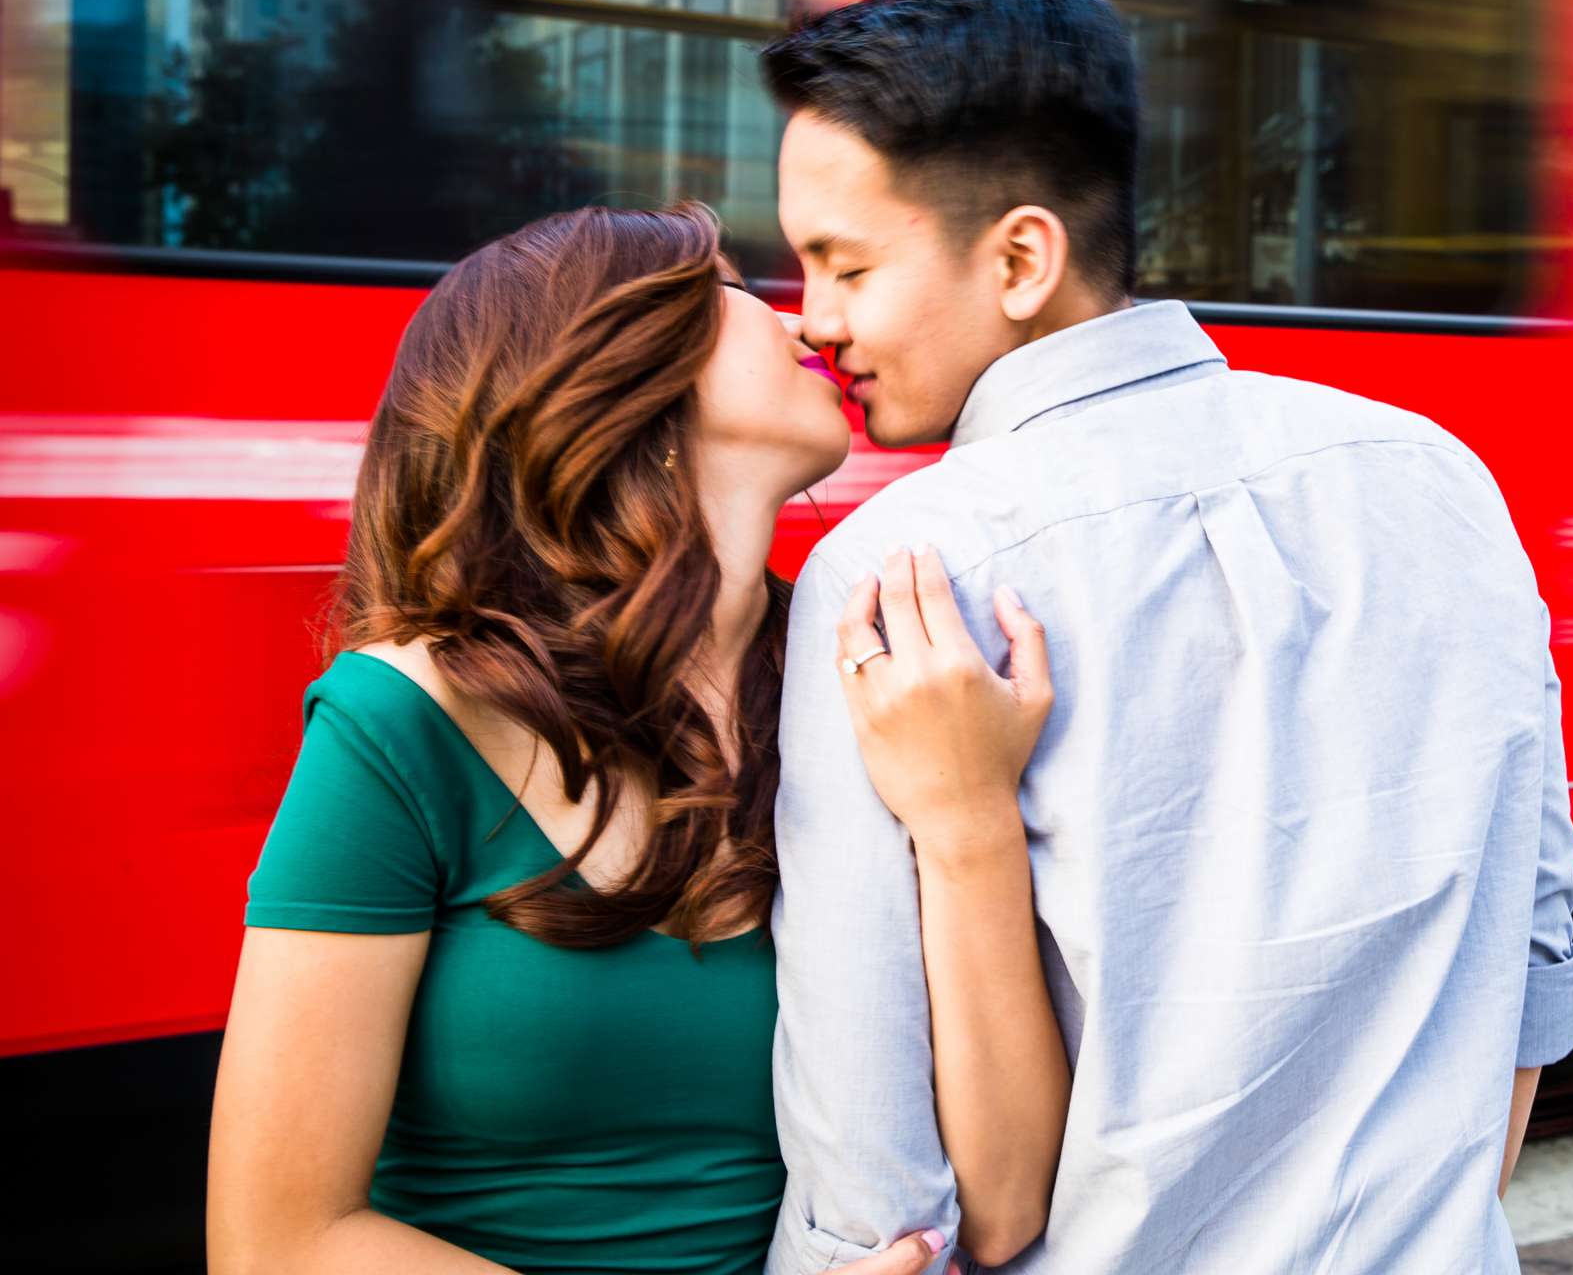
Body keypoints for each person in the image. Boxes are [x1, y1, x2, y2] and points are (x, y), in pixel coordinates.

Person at [764, 0, 1573, 1274]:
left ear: (1023, 258)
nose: (812, 321)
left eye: (845, 264)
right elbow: (1535, 955)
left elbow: (879, 1186)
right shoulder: (1438, 472)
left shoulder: (900, 574)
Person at [207, 203, 1064, 1275]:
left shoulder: (876, 684)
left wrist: (971, 817)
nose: (810, 328)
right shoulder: (401, 722)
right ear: (615, 362)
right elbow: (275, 1243)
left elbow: (1005, 1200)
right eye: (742, 292)